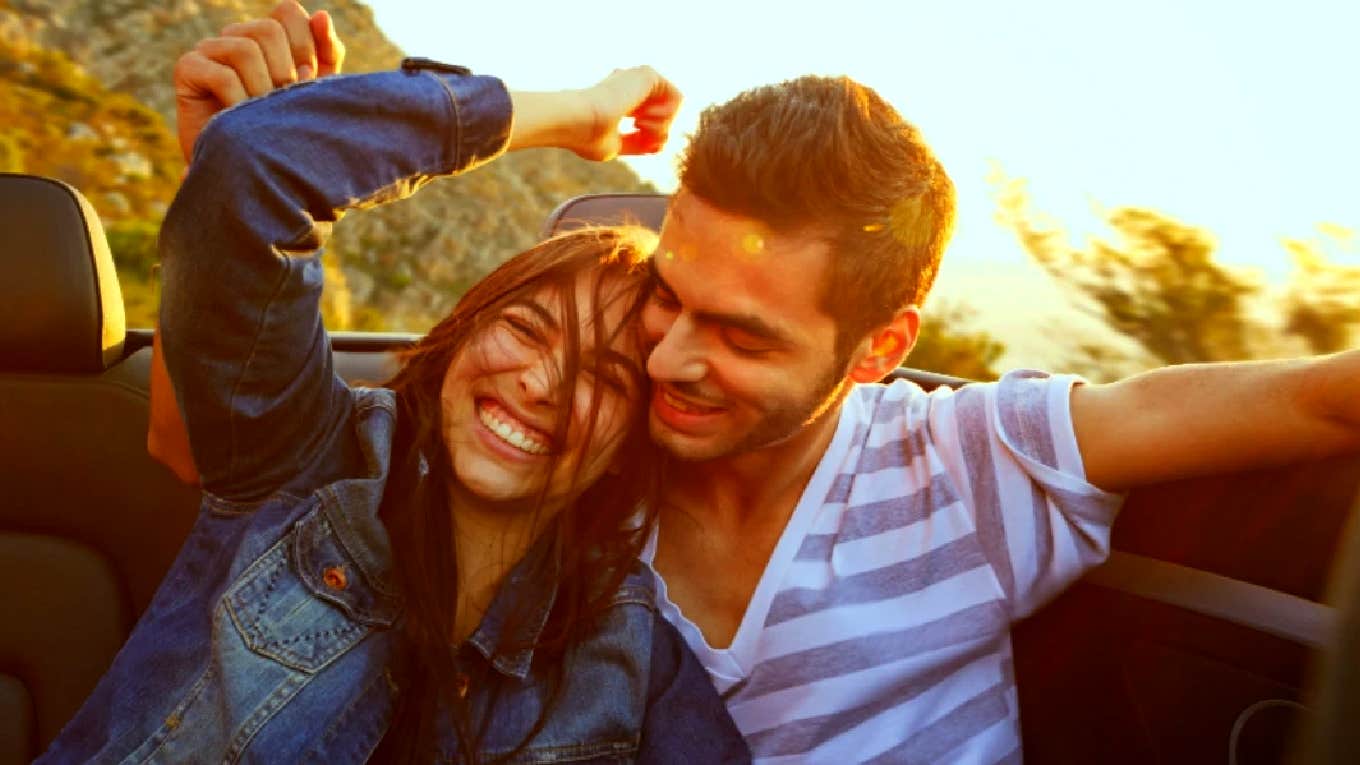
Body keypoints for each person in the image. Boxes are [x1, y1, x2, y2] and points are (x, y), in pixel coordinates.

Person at [146, 7, 1360, 764]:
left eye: (739, 335)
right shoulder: (568, 477)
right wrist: (572, 110)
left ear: (878, 348)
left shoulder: (974, 463)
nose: (666, 359)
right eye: (669, 295)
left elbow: (1323, 399)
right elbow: (232, 455)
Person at [39, 5, 750, 763]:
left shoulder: (632, 658)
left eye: (604, 377)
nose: (540, 381)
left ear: (625, 443)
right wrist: (581, 115)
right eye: (524, 328)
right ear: (458, 333)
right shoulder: (305, 465)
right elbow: (251, 162)